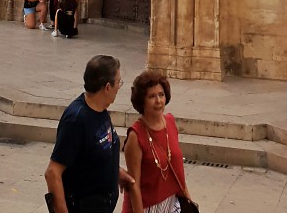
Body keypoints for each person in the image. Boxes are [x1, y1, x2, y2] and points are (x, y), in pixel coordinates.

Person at [45, 54, 133, 213]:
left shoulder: (100, 110)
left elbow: (93, 153)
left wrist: (115, 172)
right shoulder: (76, 120)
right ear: (107, 87)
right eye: (118, 82)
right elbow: (52, 173)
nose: (119, 87)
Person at [123, 71, 196, 213]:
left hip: (173, 203)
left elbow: (177, 170)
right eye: (152, 96)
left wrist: (189, 201)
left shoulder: (170, 121)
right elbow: (134, 185)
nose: (158, 101)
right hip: (147, 207)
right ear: (142, 100)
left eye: (161, 95)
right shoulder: (135, 135)